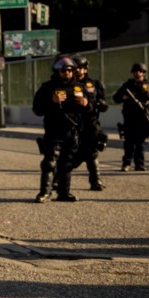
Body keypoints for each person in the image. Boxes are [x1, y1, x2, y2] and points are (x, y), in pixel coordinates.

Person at [32, 57, 89, 203]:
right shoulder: (47, 87)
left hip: (72, 130)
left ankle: (64, 193)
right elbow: (37, 109)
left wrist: (86, 103)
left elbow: (90, 108)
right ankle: (45, 192)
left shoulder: (79, 87)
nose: (68, 73)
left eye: (71, 70)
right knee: (49, 162)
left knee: (67, 163)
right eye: (64, 70)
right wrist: (52, 101)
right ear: (57, 71)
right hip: (54, 130)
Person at [112, 63, 149, 172]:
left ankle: (139, 164)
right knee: (128, 142)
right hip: (130, 117)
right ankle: (126, 164)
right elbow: (115, 97)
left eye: (139, 71)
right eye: (135, 71)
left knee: (140, 143)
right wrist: (123, 97)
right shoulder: (127, 85)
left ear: (143, 73)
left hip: (143, 118)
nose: (137, 73)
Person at [70, 54, 109, 189]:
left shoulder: (94, 84)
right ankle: (57, 179)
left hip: (90, 122)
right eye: (75, 67)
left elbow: (104, 105)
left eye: (80, 67)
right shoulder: (66, 84)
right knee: (72, 154)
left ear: (85, 69)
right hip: (72, 122)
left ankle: (95, 181)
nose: (77, 70)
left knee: (92, 152)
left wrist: (97, 103)